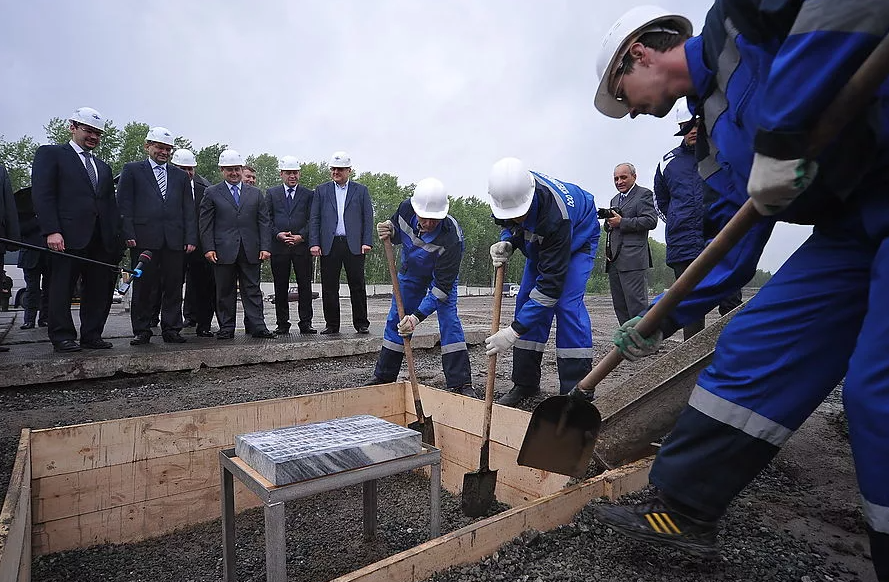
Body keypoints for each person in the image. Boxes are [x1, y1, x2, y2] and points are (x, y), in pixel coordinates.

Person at [589, 4, 889, 579]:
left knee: (876, 393)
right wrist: (656, 318)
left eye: (623, 96)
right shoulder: (713, 142)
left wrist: (784, 132)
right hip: (851, 226)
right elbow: (730, 249)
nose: (630, 113)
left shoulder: (735, 17)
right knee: (752, 343)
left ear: (639, 54)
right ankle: (683, 507)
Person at [484, 158, 600, 406]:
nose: (516, 218)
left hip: (579, 235)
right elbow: (510, 224)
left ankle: (576, 390)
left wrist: (513, 331)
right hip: (543, 241)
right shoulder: (509, 192)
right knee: (526, 299)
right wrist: (508, 241)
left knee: (567, 304)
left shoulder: (556, 216)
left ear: (530, 197)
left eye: (520, 215)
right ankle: (525, 383)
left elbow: (550, 286)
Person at [369, 178, 475, 397]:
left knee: (449, 321)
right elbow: (398, 234)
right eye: (424, 218)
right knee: (396, 318)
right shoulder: (406, 208)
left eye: (434, 220)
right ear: (415, 209)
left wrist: (416, 318)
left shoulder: (452, 237)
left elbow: (441, 289)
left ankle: (460, 383)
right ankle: (384, 376)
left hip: (441, 277)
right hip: (412, 272)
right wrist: (388, 229)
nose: (427, 224)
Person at [31, 107, 122, 353]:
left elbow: (108, 204)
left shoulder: (102, 167)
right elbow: (43, 194)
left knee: (98, 288)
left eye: (98, 133)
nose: (94, 137)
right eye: (89, 131)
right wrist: (52, 230)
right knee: (62, 287)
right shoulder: (51, 154)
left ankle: (92, 335)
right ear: (72, 127)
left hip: (100, 238)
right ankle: (62, 335)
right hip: (67, 236)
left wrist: (115, 238)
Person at [654, 99, 741, 339]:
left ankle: (730, 357)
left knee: (730, 301)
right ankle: (689, 370)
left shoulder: (723, 153)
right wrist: (675, 221)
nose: (692, 129)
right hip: (683, 245)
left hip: (721, 239)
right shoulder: (667, 162)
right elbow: (661, 201)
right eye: (686, 125)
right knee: (689, 306)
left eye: (697, 124)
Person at [117, 128, 197, 345]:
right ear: (148, 146)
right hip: (144, 240)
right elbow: (124, 204)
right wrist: (128, 233)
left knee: (173, 286)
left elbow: (188, 210)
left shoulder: (180, 176)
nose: (163, 152)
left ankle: (171, 328)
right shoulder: (133, 170)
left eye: (167, 149)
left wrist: (190, 238)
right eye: (160, 147)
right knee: (144, 287)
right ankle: (142, 330)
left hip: (174, 240)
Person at [199, 149, 274, 339]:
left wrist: (265, 247)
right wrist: (208, 248)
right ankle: (226, 327)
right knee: (224, 290)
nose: (233, 173)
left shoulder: (256, 194)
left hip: (251, 250)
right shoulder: (212, 192)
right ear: (222, 170)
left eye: (236, 169)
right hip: (223, 250)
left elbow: (264, 222)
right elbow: (205, 223)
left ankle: (258, 326)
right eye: (229, 170)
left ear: (241, 169)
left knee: (252, 290)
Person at [309, 151, 373, 334]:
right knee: (329, 287)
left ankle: (361, 323)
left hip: (354, 244)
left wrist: (366, 241)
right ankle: (332, 325)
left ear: (349, 170)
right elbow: (315, 218)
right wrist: (314, 243)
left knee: (357, 285)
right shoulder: (321, 190)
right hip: (330, 244)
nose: (336, 172)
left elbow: (368, 218)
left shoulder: (361, 191)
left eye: (340, 169)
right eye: (333, 169)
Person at [266, 156, 315, 334]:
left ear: (299, 174)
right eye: (288, 173)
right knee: (280, 286)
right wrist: (277, 234)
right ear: (281, 174)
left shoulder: (309, 194)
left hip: (301, 247)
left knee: (305, 286)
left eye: (295, 173)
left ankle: (305, 323)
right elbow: (267, 219)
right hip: (279, 247)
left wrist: (301, 236)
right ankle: (282, 323)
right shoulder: (272, 193)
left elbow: (313, 220)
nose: (292, 176)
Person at [604, 162, 657, 325]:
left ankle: (643, 342)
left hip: (633, 260)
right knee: (620, 306)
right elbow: (614, 226)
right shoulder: (615, 199)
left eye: (623, 177)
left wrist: (622, 222)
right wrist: (609, 223)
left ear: (634, 176)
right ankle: (628, 342)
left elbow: (650, 220)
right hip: (614, 261)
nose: (619, 181)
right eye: (616, 178)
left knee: (637, 305)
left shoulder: (643, 194)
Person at [173, 148, 216, 337]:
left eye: (190, 169)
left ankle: (200, 322)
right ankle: (170, 324)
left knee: (200, 286)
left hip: (198, 246)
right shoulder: (165, 188)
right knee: (171, 285)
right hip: (173, 245)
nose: (187, 173)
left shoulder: (204, 190)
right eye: (183, 169)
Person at [15, 186, 49, 329]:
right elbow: (21, 230)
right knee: (31, 289)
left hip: (48, 254)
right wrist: (38, 219)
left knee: (49, 289)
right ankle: (29, 320)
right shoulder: (23, 206)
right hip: (30, 254)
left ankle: (45, 318)